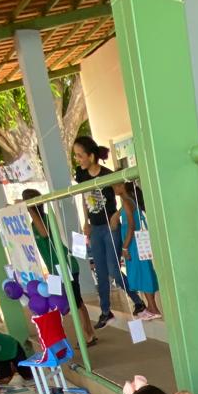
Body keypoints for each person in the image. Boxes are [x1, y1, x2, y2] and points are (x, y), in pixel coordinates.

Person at [72, 135, 144, 326]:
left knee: (113, 268)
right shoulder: (81, 175)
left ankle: (137, 301)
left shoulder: (107, 174)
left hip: (110, 227)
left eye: (80, 156)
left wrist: (117, 214)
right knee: (101, 271)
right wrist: (85, 221)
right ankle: (105, 311)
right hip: (95, 228)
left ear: (91, 156)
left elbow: (126, 195)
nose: (77, 160)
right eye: (76, 156)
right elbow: (84, 198)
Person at [22, 188, 97, 345]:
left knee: (76, 302)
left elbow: (44, 234)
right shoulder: (33, 223)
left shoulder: (46, 219)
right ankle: (89, 333)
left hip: (66, 266)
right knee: (73, 302)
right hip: (55, 269)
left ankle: (88, 334)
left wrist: (30, 209)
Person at [115, 181, 162, 321]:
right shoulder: (130, 202)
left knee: (142, 273)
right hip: (136, 243)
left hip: (133, 244)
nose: (114, 188)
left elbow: (131, 226)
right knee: (144, 272)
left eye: (116, 185)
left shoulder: (127, 203)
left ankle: (153, 307)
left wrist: (125, 247)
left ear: (123, 186)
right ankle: (151, 306)